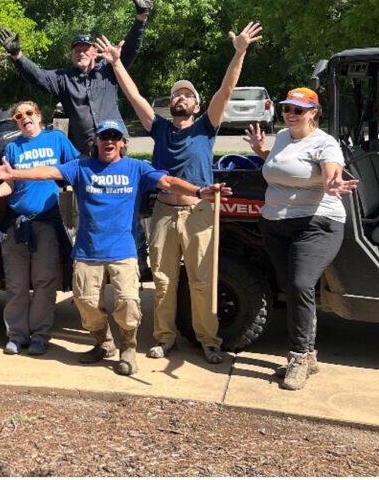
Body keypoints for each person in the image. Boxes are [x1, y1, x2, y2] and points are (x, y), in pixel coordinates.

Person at [0, 120, 230, 376]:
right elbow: (48, 172)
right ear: (97, 142)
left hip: (122, 251)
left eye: (115, 136)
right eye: (104, 136)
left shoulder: (135, 168)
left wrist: (199, 190)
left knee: (128, 303)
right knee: (86, 304)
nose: (109, 141)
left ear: (123, 143)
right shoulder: (81, 167)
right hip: (87, 251)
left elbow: (168, 182)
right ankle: (103, 343)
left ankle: (127, 346)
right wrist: (14, 174)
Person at [96, 21, 263, 364]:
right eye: (176, 94)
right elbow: (134, 96)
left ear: (197, 104)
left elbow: (226, 90)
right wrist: (116, 63)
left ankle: (209, 340)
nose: (181, 98)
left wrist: (240, 52)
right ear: (169, 103)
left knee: (202, 281)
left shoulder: (206, 127)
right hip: (163, 212)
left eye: (188, 95)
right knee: (162, 281)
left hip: (199, 212)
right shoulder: (159, 129)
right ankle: (164, 338)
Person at [245, 88, 357, 390]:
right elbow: (283, 167)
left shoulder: (325, 143)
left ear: (313, 112)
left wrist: (333, 183)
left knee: (299, 283)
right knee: (293, 289)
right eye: (287, 109)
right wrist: (260, 151)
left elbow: (332, 171)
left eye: (298, 110)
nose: (290, 114)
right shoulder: (282, 137)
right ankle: (308, 351)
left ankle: (300, 356)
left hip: (316, 224)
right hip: (275, 225)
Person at [0, 0, 154, 155]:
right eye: (77, 50)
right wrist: (17, 55)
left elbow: (131, 48)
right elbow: (37, 76)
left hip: (116, 145)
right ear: (71, 56)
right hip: (85, 151)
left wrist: (141, 18)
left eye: (86, 49)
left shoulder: (110, 69)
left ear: (95, 52)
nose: (81, 53)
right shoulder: (62, 78)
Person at [0, 100, 78, 356]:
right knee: (16, 284)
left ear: (38, 115)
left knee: (44, 283)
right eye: (18, 116)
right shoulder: (12, 148)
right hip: (15, 225)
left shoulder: (56, 140)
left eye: (29, 113)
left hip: (46, 222)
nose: (24, 118)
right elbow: (9, 184)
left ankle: (40, 335)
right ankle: (16, 335)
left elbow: (74, 170)